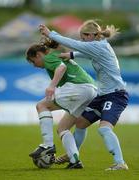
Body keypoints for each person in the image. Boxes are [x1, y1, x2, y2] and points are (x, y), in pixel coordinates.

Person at [39, 20, 129, 170]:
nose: (82, 40)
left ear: (91, 35)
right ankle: (72, 155)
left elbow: (76, 45)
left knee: (104, 129)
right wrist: (71, 55)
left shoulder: (97, 46)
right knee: (80, 123)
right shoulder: (100, 45)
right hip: (103, 95)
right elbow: (86, 52)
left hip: (116, 95)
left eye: (83, 37)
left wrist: (50, 34)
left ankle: (120, 163)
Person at [26, 37, 97, 169]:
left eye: (33, 61)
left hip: (78, 87)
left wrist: (52, 86)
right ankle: (75, 161)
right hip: (91, 90)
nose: (34, 65)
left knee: (41, 105)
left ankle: (47, 145)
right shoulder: (54, 55)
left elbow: (62, 67)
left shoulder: (48, 58)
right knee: (62, 129)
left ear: (38, 54)